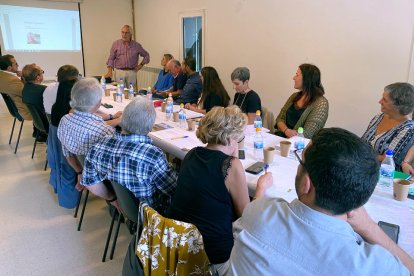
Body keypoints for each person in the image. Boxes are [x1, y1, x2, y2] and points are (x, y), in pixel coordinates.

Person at [228, 128, 414, 275]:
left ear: (306, 184)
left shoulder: (258, 212)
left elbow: (254, 211)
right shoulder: (375, 265)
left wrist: (260, 190)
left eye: (301, 161)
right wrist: (369, 227)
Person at [167, 106, 273, 275]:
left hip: (179, 244)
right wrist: (261, 188)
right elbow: (246, 218)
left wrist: (233, 152)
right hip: (213, 258)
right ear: (231, 138)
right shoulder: (231, 166)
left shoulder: (192, 154)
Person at [81, 97, 178, 215]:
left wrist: (112, 199)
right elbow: (173, 189)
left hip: (123, 206)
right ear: (150, 128)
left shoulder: (99, 145)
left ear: (122, 119)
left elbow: (89, 182)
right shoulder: (153, 155)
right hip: (151, 215)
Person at [57, 78, 120, 191]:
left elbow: (67, 153)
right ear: (98, 103)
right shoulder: (105, 131)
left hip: (82, 169)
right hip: (103, 178)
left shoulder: (65, 119)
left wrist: (79, 172)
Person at [47, 65, 81, 208]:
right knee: (67, 168)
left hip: (55, 141)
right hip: (67, 150)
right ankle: (69, 202)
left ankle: (58, 189)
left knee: (60, 165)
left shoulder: (58, 100)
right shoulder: (71, 109)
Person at [362, 82, 414, 171]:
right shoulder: (379, 117)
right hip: (363, 166)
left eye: (385, 100)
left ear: (398, 106)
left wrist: (361, 154)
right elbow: (363, 143)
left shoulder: (407, 129)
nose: (380, 101)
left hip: (382, 175)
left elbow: (389, 159)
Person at [275, 63, 329, 139]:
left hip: (299, 145)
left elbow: (308, 133)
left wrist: (289, 137)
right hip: (281, 138)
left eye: (297, 75)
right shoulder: (294, 96)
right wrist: (286, 131)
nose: (293, 78)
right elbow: (279, 119)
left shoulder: (321, 103)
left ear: (307, 79)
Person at [0, 54, 31, 120]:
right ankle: (41, 129)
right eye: (15, 63)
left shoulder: (2, 76)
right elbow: (27, 94)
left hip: (14, 110)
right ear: (9, 68)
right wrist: (24, 77)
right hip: (25, 111)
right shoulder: (13, 80)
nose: (18, 65)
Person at [21, 63, 48, 142]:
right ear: (38, 77)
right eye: (42, 72)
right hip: (47, 124)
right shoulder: (44, 90)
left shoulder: (25, 89)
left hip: (38, 124)